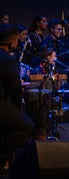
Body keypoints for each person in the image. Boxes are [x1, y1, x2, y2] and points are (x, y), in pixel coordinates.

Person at [0, 23, 34, 175]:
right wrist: (18, 110)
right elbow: (15, 90)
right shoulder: (7, 59)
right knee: (26, 125)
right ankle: (3, 156)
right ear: (12, 42)